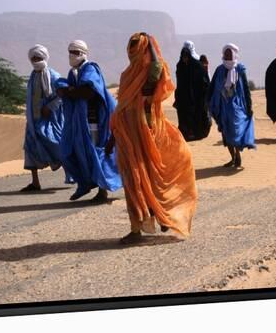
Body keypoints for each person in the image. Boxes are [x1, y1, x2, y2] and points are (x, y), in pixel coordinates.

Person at [106, 33, 197, 244]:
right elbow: (121, 108)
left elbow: (157, 66)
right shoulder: (128, 74)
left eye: (137, 47)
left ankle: (156, 217)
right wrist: (113, 136)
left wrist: (152, 46)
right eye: (131, 46)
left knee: (148, 178)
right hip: (127, 136)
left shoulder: (150, 76)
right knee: (133, 181)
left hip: (146, 134)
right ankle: (139, 226)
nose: (132, 50)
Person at [55, 40, 122, 202]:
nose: (73, 55)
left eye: (77, 52)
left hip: (94, 121)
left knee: (95, 154)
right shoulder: (74, 72)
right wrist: (69, 90)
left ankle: (102, 191)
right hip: (78, 123)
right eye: (71, 51)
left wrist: (69, 90)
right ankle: (84, 184)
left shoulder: (90, 69)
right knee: (69, 153)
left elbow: (88, 92)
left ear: (84, 53)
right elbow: (70, 91)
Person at [21, 44, 71, 191]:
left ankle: (72, 175)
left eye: (39, 58)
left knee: (58, 145)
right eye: (34, 58)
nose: (36, 61)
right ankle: (35, 182)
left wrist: (49, 107)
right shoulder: (32, 76)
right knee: (30, 147)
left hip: (51, 120)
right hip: (33, 120)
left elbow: (62, 96)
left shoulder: (53, 76)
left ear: (45, 57)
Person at [208, 43, 255, 168]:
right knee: (225, 132)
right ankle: (232, 157)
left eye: (230, 53)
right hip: (222, 106)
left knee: (235, 132)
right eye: (226, 53)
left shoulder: (239, 69)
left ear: (234, 54)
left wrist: (249, 106)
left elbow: (245, 88)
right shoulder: (219, 70)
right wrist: (208, 102)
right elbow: (212, 87)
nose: (228, 56)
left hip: (237, 107)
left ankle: (238, 156)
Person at [173, 40, 211, 141]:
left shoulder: (197, 65)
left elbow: (203, 80)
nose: (185, 58)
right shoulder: (180, 66)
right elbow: (179, 80)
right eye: (183, 56)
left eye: (186, 56)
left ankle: (196, 132)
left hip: (196, 95)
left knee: (196, 114)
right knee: (184, 115)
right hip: (183, 95)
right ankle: (186, 133)